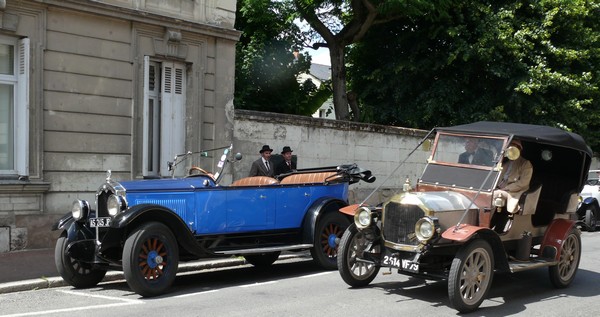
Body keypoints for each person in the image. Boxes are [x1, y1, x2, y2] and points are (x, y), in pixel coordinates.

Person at [495, 139, 533, 213]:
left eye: (514, 147)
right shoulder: (505, 162)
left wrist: (506, 188)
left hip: (514, 191)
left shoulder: (525, 163)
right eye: (509, 146)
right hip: (500, 187)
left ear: (519, 149)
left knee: (493, 195)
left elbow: (523, 183)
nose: (511, 149)